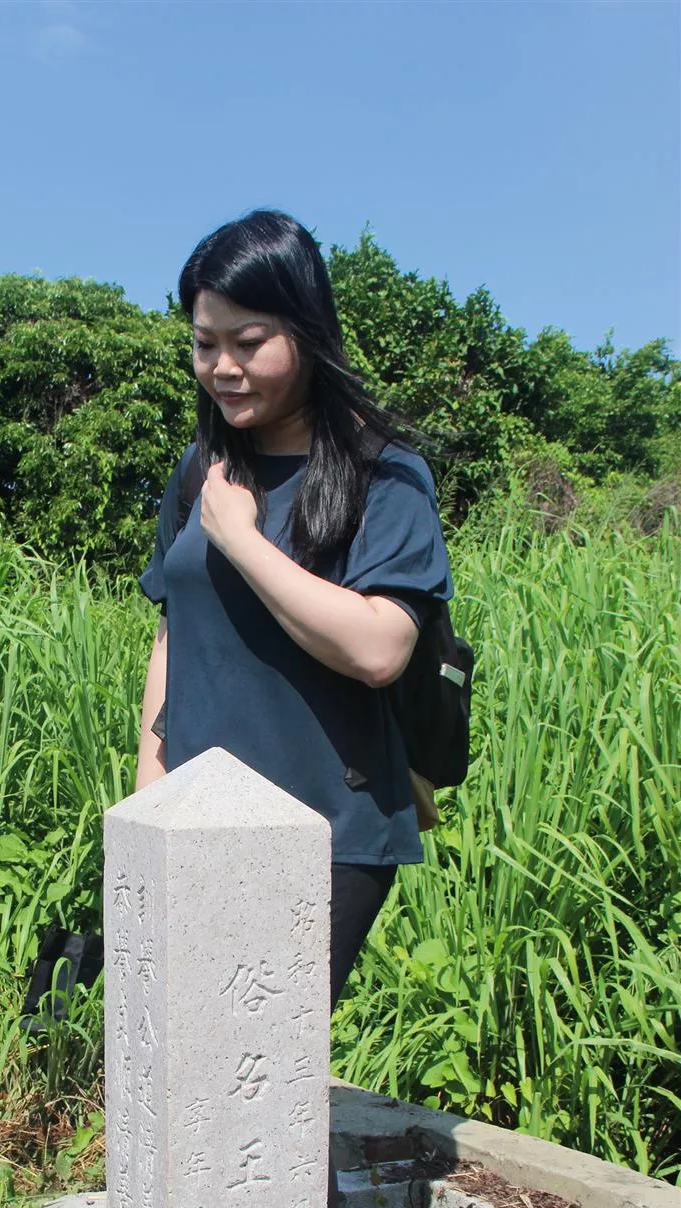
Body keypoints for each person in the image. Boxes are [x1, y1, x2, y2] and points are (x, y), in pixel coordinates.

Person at [137, 209, 453, 1003]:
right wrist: (150, 790)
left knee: (254, 1048)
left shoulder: (386, 474)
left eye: (249, 343)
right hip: (196, 817)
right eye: (205, 344)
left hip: (325, 827)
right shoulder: (202, 470)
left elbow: (380, 648)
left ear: (306, 334)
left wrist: (243, 542)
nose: (223, 368)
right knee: (189, 1043)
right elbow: (173, 632)